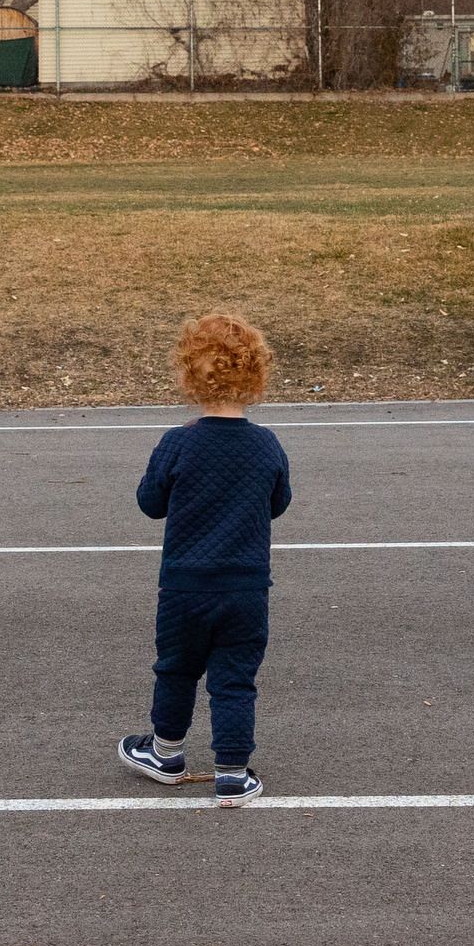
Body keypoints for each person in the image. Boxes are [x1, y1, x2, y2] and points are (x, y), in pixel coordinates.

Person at [121, 314, 294, 807]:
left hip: (184, 586)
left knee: (176, 668)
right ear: (256, 374)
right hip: (245, 587)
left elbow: (150, 503)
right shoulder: (266, 445)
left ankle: (167, 752)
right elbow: (278, 503)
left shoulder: (179, 442)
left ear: (189, 375)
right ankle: (233, 773)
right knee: (234, 678)